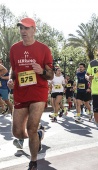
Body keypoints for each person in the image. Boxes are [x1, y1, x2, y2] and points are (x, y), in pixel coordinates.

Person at [7, 17, 54, 170]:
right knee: (17, 132)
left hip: (38, 92)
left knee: (31, 127)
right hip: (21, 92)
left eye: (26, 28)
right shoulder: (14, 48)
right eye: (21, 28)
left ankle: (33, 162)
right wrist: (10, 79)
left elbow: (51, 74)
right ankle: (38, 135)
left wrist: (42, 71)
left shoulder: (43, 49)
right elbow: (13, 69)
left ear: (34, 30)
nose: (23, 31)